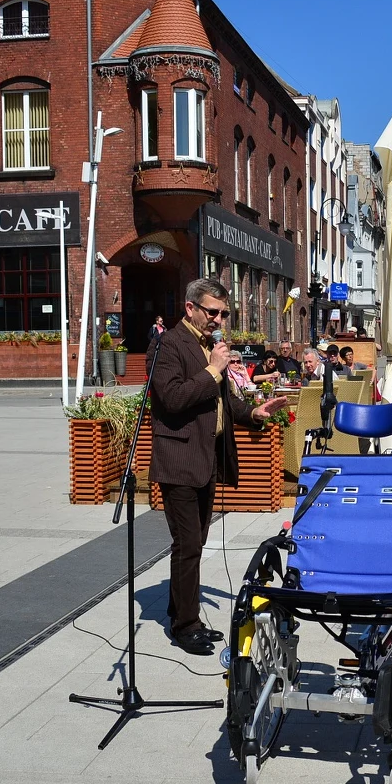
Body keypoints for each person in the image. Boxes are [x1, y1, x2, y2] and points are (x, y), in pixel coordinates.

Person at [147, 278, 288, 656]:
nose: (219, 319)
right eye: (213, 312)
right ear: (190, 308)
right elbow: (173, 398)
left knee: (195, 543)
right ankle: (185, 625)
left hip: (206, 457)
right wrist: (212, 370)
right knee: (188, 544)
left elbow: (224, 401)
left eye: (224, 313)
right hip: (179, 458)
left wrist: (253, 412)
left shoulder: (210, 347)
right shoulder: (168, 344)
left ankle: (181, 610)